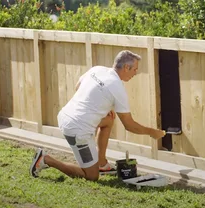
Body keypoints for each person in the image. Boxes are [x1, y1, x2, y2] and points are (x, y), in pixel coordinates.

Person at [29, 50, 165, 181]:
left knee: (108, 120)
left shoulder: (97, 69)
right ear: (126, 67)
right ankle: (46, 160)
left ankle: (101, 163)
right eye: (135, 69)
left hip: (65, 116)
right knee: (91, 176)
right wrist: (152, 132)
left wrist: (102, 110)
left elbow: (78, 86)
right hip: (77, 130)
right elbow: (129, 125)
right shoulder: (117, 87)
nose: (136, 72)